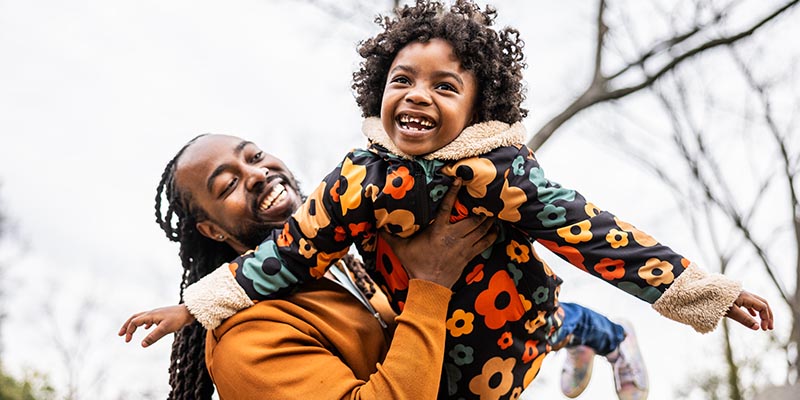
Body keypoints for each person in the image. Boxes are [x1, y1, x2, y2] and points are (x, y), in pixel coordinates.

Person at [126, 1, 773, 399]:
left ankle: (609, 338)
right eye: (402, 79)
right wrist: (196, 307)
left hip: (512, 319)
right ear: (377, 90)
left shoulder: (502, 173)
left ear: (476, 105)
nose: (417, 95)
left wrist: (701, 290)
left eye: (444, 85)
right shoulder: (353, 183)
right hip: (442, 349)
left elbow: (592, 233)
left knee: (549, 320)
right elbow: (289, 255)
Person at [120, 134, 500, 399]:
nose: (256, 175)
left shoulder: (347, 268)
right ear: (211, 230)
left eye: (253, 156)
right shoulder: (245, 339)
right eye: (228, 185)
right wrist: (430, 287)